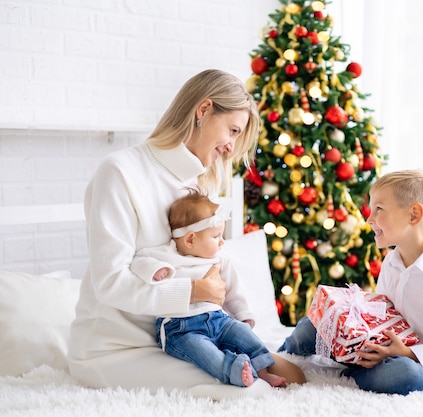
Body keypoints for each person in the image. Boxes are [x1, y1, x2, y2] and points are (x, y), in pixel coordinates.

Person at [68, 69, 305, 399]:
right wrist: (194, 290)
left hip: (187, 337)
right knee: (254, 393)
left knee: (293, 376)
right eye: (232, 131)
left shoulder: (196, 184)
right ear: (203, 110)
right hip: (118, 347)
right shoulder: (121, 171)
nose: (231, 147)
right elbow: (109, 283)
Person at [279, 169, 423, 395]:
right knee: (311, 324)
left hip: (420, 365)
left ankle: (349, 372)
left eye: (379, 209)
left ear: (413, 215)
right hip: (380, 350)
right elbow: (383, 315)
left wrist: (408, 353)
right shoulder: (391, 262)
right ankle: (276, 360)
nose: (369, 218)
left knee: (402, 374)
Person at [130, 189, 286, 388]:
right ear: (190, 240)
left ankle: (263, 372)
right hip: (181, 328)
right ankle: (236, 371)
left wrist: (243, 314)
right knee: (207, 354)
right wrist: (155, 269)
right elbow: (139, 259)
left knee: (245, 336)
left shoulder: (220, 260)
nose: (222, 241)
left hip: (219, 320)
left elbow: (232, 290)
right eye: (216, 236)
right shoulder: (167, 255)